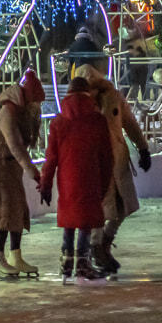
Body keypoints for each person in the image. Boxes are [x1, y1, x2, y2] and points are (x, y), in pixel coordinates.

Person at [73, 64, 151, 275]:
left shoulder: (112, 97)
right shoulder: (80, 104)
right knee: (99, 208)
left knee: (121, 206)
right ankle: (96, 247)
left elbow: (129, 122)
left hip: (116, 159)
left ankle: (104, 243)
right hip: (94, 162)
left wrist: (143, 148)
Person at [41, 75, 114, 281]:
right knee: (85, 220)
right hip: (91, 176)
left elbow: (51, 158)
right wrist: (105, 183)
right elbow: (106, 156)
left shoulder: (58, 122)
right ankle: (83, 261)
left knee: (70, 217)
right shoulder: (98, 120)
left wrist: (46, 184)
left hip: (67, 178)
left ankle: (66, 259)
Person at [0, 69, 44, 276]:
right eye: (36, 103)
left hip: (11, 168)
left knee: (17, 209)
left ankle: (15, 255)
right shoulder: (8, 113)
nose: (38, 108)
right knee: (4, 211)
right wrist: (34, 172)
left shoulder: (22, 113)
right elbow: (15, 146)